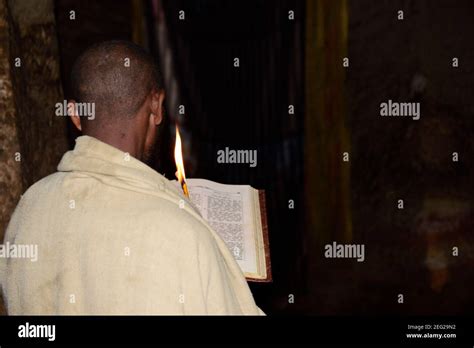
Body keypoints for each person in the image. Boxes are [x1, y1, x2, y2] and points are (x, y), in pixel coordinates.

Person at [1, 40, 264, 315]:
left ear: (75, 114)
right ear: (156, 106)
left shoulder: (28, 209)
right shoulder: (184, 235)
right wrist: (222, 268)